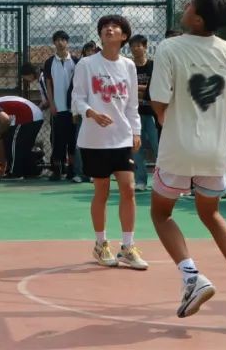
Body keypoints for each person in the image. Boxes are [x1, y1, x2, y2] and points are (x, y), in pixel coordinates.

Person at [148, 0, 226, 326]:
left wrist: (165, 118)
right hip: (215, 151)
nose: (185, 6)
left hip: (178, 147)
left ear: (198, 19)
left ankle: (192, 277)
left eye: (191, 5)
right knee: (211, 214)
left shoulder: (170, 47)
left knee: (161, 214)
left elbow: (159, 101)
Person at [73, 15, 147, 270]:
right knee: (102, 191)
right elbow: (77, 98)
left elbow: (132, 104)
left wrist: (136, 132)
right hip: (94, 139)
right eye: (105, 27)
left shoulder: (128, 66)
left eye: (115, 27)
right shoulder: (86, 64)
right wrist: (92, 113)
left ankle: (127, 246)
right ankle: (100, 244)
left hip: (122, 137)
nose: (109, 29)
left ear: (124, 36)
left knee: (128, 188)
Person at [0, 96, 45, 179]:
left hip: (28, 114)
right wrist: (3, 167)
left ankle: (15, 173)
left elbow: (6, 120)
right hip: (34, 115)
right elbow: (2, 141)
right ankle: (30, 171)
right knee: (23, 146)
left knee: (15, 144)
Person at [44, 30, 77, 182]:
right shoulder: (49, 62)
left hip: (73, 109)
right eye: (57, 40)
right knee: (57, 140)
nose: (60, 42)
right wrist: (51, 104)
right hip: (58, 108)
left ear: (67, 42)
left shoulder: (76, 61)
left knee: (72, 140)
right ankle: (57, 169)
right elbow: (48, 85)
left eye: (63, 39)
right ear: (54, 43)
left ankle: (72, 169)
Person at [130, 35, 157, 192]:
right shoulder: (128, 66)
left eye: (139, 45)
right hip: (135, 114)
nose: (136, 49)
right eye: (133, 46)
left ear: (145, 47)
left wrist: (139, 89)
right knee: (136, 148)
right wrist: (145, 89)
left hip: (153, 112)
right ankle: (140, 180)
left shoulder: (153, 66)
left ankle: (162, 180)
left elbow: (155, 87)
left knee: (158, 147)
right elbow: (127, 88)